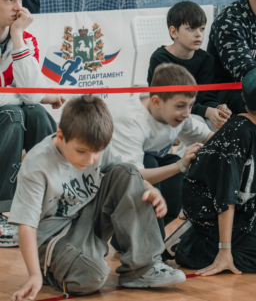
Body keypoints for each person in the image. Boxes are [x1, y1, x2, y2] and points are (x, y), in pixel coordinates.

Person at [9, 96, 186, 301]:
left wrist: (148, 189)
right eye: (82, 151)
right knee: (93, 277)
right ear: (61, 135)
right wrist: (33, 275)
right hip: (54, 237)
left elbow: (126, 176)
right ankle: (53, 271)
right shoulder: (36, 165)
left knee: (128, 172)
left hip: (88, 218)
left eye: (96, 153)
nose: (90, 160)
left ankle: (143, 267)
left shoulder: (96, 143)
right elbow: (26, 227)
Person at [170, 66, 256, 275]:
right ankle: (191, 247)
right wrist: (225, 252)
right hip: (211, 211)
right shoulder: (239, 135)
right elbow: (225, 197)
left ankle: (237, 240)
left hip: (245, 206)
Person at [102, 64, 213, 239]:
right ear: (156, 102)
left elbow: (209, 136)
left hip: (143, 169)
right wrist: (179, 165)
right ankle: (152, 253)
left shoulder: (178, 113)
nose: (186, 113)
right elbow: (133, 176)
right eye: (181, 106)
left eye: (190, 106)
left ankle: (128, 239)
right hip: (113, 181)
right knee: (161, 162)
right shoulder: (132, 121)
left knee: (174, 173)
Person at [0, 0, 65, 248]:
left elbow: (31, 93)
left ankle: (56, 198)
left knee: (36, 113)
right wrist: (37, 96)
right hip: (7, 115)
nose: (19, 8)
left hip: (9, 113)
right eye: (9, 0)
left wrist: (17, 37)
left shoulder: (25, 39)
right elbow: (20, 97)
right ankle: (3, 209)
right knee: (16, 113)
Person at [148, 1, 230, 130]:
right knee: (195, 123)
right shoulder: (160, 59)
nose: (198, 34)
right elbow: (171, 102)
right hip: (169, 115)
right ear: (174, 32)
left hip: (197, 113)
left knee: (221, 125)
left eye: (202, 28)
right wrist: (206, 111)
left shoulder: (207, 59)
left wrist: (218, 108)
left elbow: (205, 97)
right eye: (191, 28)